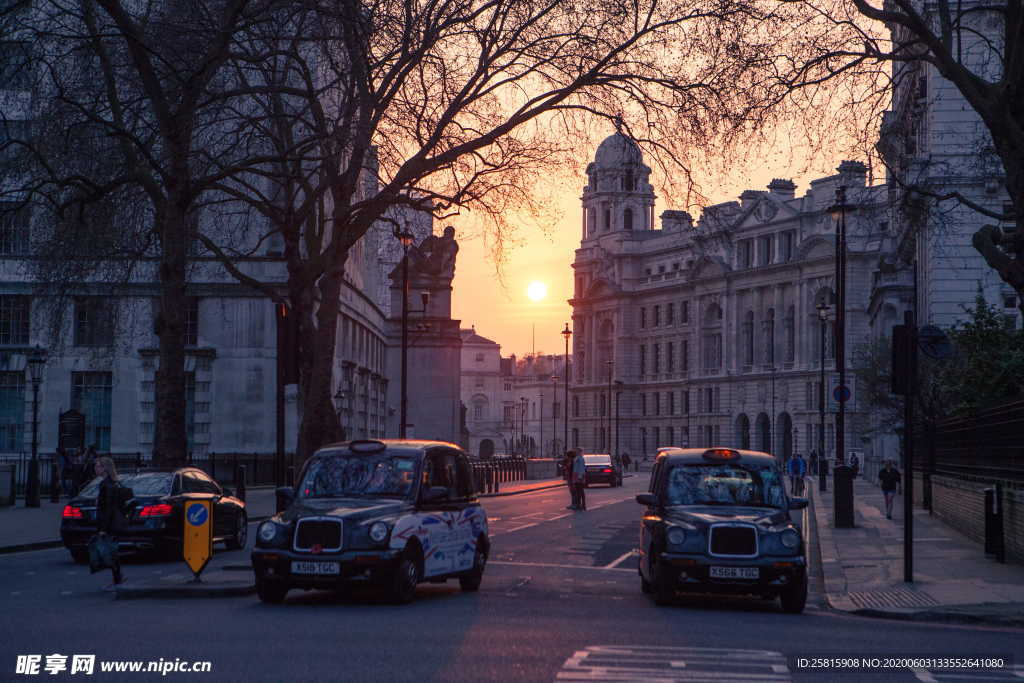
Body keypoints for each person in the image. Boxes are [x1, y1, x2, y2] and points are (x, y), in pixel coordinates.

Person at [93, 456, 126, 589]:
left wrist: (103, 528)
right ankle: (117, 577)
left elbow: (107, 508)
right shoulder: (113, 483)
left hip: (109, 523)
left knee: (110, 551)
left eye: (98, 466)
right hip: (113, 522)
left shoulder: (106, 485)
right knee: (112, 550)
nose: (95, 468)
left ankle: (117, 579)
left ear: (105, 468)